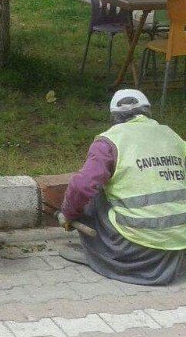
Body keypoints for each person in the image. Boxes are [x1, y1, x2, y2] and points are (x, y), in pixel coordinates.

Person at [57, 89, 186, 285]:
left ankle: (101, 257)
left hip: (131, 246)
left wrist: (68, 214)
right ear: (147, 112)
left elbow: (82, 187)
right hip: (177, 241)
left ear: (114, 117)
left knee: (96, 191)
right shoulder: (171, 136)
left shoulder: (110, 141)